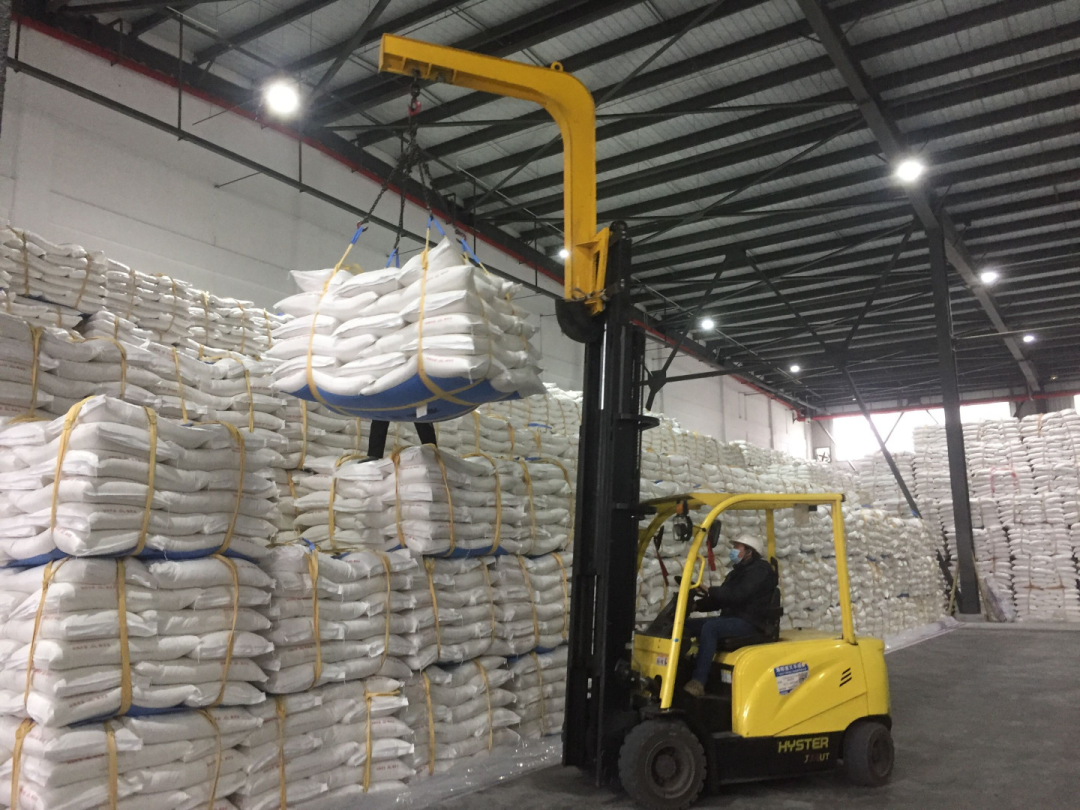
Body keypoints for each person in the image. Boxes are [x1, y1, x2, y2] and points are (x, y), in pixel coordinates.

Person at [683, 534, 777, 697]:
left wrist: (709, 589)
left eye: (737, 547)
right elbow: (722, 599)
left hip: (751, 621)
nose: (733, 550)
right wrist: (696, 605)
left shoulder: (760, 571)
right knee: (686, 626)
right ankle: (681, 673)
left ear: (749, 552)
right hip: (732, 618)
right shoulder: (737, 573)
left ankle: (698, 682)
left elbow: (737, 595)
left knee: (711, 628)